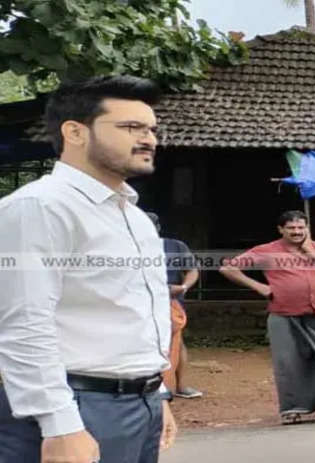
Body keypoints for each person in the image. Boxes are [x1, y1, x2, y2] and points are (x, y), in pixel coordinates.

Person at [0, 75, 177, 463]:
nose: (148, 139)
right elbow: (25, 323)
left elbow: (135, 315)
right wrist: (59, 425)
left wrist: (155, 393)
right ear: (75, 132)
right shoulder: (40, 208)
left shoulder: (135, 218)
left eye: (150, 129)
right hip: (74, 403)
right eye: (131, 127)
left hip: (138, 402)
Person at [219, 210, 315, 424]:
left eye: (301, 228)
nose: (296, 232)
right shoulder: (266, 251)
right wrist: (258, 287)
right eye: (291, 228)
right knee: (288, 363)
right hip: (284, 315)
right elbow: (228, 268)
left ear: (307, 229)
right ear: (281, 230)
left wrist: (309, 251)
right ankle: (291, 409)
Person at [147, 213, 203, 399]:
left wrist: (184, 287)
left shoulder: (174, 246)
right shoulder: (124, 245)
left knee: (177, 342)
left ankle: (179, 386)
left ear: (158, 227)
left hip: (171, 302)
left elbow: (192, 270)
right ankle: (149, 389)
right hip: (139, 301)